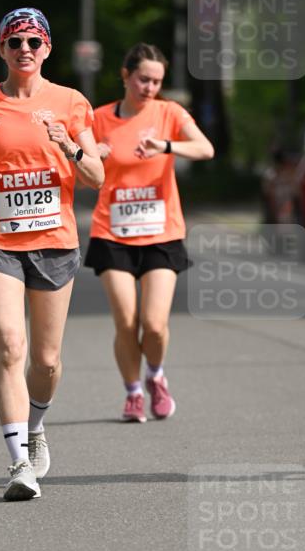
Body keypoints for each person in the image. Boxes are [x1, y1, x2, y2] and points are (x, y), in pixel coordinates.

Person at [0, 7, 104, 501]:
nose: (24, 50)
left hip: (54, 241)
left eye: (33, 42)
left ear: (47, 50)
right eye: (15, 42)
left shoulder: (71, 102)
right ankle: (19, 462)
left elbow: (97, 176)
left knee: (45, 360)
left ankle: (36, 425)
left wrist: (69, 146)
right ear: (1, 49)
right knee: (10, 347)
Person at [84, 43, 214, 421]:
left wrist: (166, 145)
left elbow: (205, 148)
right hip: (113, 232)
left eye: (156, 81)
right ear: (125, 76)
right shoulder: (99, 118)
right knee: (126, 321)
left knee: (154, 325)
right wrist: (95, 157)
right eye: (143, 79)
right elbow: (77, 173)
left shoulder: (169, 112)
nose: (150, 87)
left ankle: (156, 376)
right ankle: (133, 392)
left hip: (161, 232)